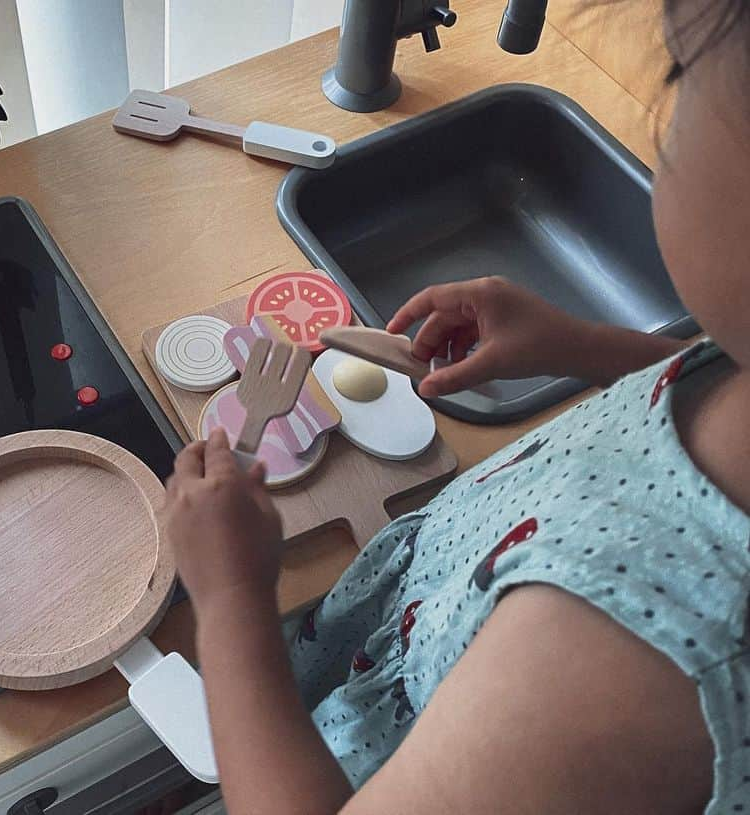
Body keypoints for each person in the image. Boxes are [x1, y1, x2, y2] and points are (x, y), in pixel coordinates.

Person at [162, 1, 750, 811]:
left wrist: (230, 602)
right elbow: (706, 381)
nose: (663, 118)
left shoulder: (623, 659)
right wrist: (576, 344)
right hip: (416, 629)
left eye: (681, 76)